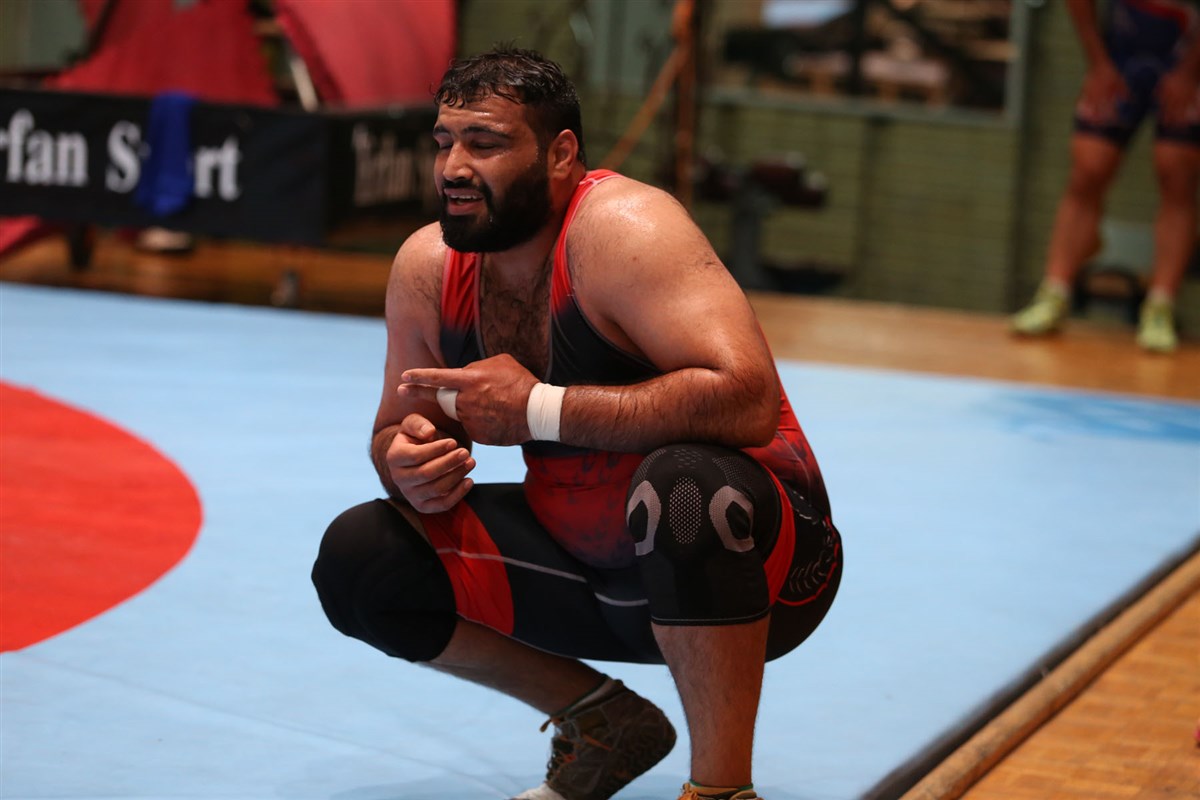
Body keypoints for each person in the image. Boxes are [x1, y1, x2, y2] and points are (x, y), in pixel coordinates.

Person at [311, 46, 843, 800]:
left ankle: (722, 791)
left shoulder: (625, 230)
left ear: (560, 154)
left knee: (683, 488)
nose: (454, 168)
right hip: (590, 569)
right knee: (362, 556)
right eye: (444, 142)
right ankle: (600, 720)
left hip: (766, 569)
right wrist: (408, 464)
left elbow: (746, 399)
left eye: (485, 143)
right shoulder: (428, 268)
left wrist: (538, 408)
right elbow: (396, 429)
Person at [1011, 0, 1200, 353]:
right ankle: (1054, 292)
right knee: (1089, 166)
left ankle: (1160, 304)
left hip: (1186, 55)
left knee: (1177, 171)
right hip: (1121, 52)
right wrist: (1098, 62)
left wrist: (1190, 72)